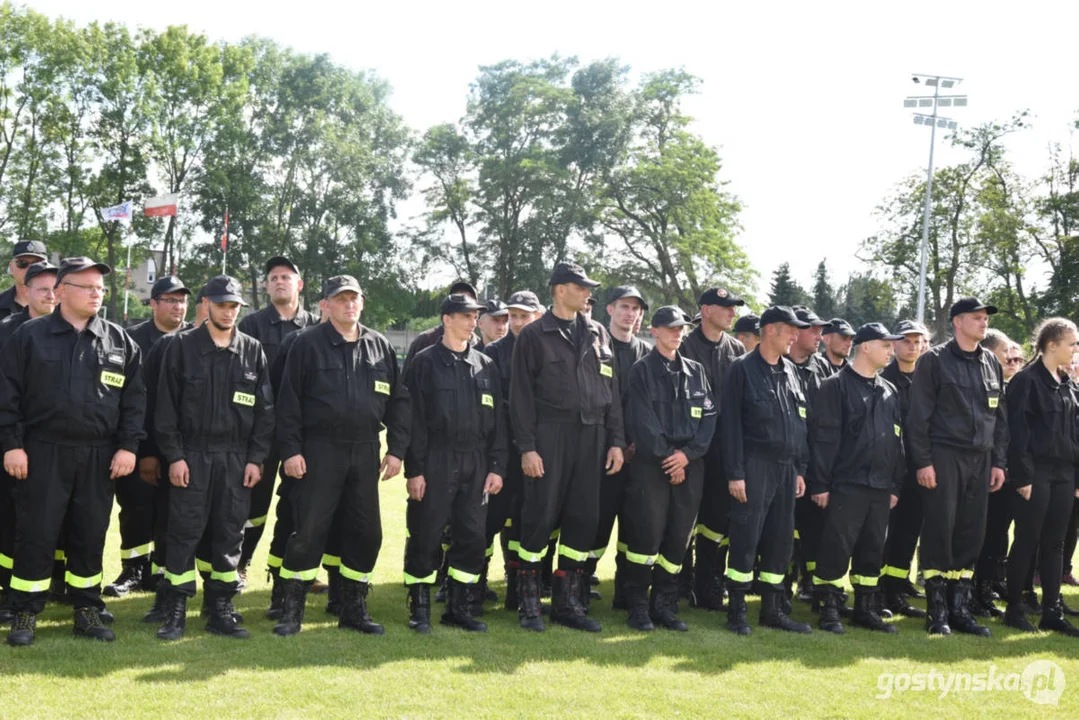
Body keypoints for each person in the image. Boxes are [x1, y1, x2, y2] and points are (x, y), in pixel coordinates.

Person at [2, 257, 145, 647]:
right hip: (43, 450)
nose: (97, 293)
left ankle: (86, 608)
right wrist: (12, 446)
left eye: (101, 288)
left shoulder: (119, 340)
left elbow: (134, 402)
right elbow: (7, 396)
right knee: (36, 532)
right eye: (87, 287)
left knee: (90, 533)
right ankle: (24, 612)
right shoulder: (30, 336)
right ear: (62, 291)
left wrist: (128, 448)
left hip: (99, 456)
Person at [273, 275, 409, 637]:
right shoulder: (306, 345)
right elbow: (287, 404)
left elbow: (399, 403)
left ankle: (353, 608)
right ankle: (291, 611)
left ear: (362, 303)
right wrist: (291, 451)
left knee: (367, 533)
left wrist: (396, 450)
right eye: (341, 299)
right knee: (310, 531)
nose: (349, 304)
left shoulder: (380, 346)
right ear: (326, 305)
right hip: (319, 450)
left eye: (355, 298)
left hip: (365, 450)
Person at [153, 276, 273, 641]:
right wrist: (174, 456)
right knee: (184, 533)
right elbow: (165, 409)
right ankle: (175, 611)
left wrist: (256, 459)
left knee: (229, 534)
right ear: (206, 305)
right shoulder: (181, 347)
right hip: (192, 454)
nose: (228, 311)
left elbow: (266, 411)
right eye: (221, 305)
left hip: (236, 460)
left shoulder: (252, 350)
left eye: (234, 306)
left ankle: (221, 607)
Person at [510, 261, 624, 633]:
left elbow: (613, 394)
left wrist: (616, 441)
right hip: (550, 434)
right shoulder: (533, 335)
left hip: (591, 437)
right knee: (540, 516)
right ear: (560, 290)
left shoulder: (598, 334)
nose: (588, 292)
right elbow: (521, 397)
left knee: (583, 519)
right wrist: (527, 448)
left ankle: (567, 603)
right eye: (581, 287)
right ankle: (529, 603)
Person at [403, 294, 507, 633]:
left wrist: (496, 466)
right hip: (436, 458)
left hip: (476, 462)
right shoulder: (424, 363)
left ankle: (459, 607)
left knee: (472, 537)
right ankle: (419, 608)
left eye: (475, 316)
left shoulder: (485, 365)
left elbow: (498, 423)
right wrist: (415, 470)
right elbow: (413, 421)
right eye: (465, 315)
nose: (472, 321)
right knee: (426, 533)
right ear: (446, 319)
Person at [908, 297, 1007, 637]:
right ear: (957, 322)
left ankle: (959, 608)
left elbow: (1000, 419)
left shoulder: (991, 362)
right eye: (977, 318)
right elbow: (918, 417)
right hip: (944, 456)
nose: (984, 323)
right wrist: (924, 462)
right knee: (940, 529)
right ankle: (936, 611)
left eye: (985, 319)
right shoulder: (934, 361)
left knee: (971, 532)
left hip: (981, 460)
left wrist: (999, 462)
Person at [623, 306, 716, 632]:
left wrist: (687, 457)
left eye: (682, 328)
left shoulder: (696, 371)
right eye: (671, 327)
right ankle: (637, 607)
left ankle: (664, 605)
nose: (678, 333)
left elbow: (708, 419)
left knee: (678, 540)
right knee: (646, 538)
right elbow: (643, 422)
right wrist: (669, 457)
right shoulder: (641, 371)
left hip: (689, 467)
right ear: (656, 330)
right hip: (653, 467)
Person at [721, 305, 811, 635]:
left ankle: (772, 610)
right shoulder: (741, 369)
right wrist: (735, 473)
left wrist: (800, 469)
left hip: (787, 470)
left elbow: (800, 423)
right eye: (790, 330)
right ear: (770, 330)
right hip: (755, 466)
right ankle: (737, 611)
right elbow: (729, 425)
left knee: (780, 541)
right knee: (746, 539)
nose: (795, 336)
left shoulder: (790, 371)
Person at [810, 323, 905, 634]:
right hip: (846, 485)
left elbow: (896, 441)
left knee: (872, 549)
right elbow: (824, 440)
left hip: (880, 487)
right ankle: (829, 609)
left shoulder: (888, 390)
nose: (892, 350)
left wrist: (894, 484)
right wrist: (821, 484)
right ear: (865, 347)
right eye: (886, 345)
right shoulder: (835, 386)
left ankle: (865, 607)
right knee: (835, 548)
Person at [104, 276, 192, 598]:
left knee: (174, 511)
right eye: (170, 300)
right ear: (153, 303)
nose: (177, 306)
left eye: (182, 300)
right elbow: (132, 399)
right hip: (139, 443)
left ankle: (162, 571)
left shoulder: (196, 340)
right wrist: (145, 451)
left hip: (183, 447)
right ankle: (133, 569)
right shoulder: (132, 340)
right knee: (136, 506)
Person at [236, 256, 318, 587]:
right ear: (267, 287)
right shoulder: (251, 325)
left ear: (299, 284)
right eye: (273, 278)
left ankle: (293, 570)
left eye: (286, 276)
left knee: (303, 504)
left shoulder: (316, 326)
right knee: (253, 505)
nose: (280, 281)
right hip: (263, 432)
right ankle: (239, 566)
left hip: (305, 433)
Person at [1003, 318, 1079, 637]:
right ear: (1051, 345)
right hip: (1036, 473)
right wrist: (1022, 477)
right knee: (1027, 540)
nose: (1076, 349)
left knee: (1056, 543)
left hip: (1064, 473)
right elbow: (1017, 433)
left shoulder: (1067, 384)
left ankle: (1052, 611)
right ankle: (1015, 608)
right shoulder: (1026, 381)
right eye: (1072, 343)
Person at [679, 287, 746, 611]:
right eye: (726, 307)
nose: (732, 313)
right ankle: (681, 582)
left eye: (734, 308)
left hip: (722, 449)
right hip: (689, 449)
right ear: (706, 310)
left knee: (717, 522)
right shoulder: (685, 346)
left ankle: (708, 584)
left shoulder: (736, 349)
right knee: (684, 520)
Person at [0, 261, 57, 624]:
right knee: (11, 519)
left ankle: (48, 588)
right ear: (27, 291)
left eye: (55, 289)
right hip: (13, 441)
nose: (50, 296)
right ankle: (9, 592)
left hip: (53, 447)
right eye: (43, 289)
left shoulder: (70, 332)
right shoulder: (8, 332)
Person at [482, 290, 543, 612]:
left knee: (524, 522)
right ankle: (473, 586)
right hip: (501, 452)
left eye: (524, 316)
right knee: (489, 520)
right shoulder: (492, 353)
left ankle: (517, 591)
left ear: (538, 316)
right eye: (512, 317)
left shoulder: (546, 350)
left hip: (534, 453)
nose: (517, 322)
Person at [590, 286, 650, 609]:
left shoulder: (645, 352)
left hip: (638, 455)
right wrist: (615, 442)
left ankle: (626, 591)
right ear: (610, 309)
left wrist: (637, 443)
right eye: (625, 307)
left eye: (636, 309)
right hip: (603, 453)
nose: (631, 313)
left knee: (634, 524)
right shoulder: (596, 347)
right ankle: (581, 584)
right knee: (596, 523)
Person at [880, 320, 932, 618]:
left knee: (908, 534)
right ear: (895, 344)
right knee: (884, 535)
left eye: (918, 342)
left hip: (919, 470)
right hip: (889, 471)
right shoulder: (884, 380)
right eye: (907, 341)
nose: (913, 347)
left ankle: (897, 589)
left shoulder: (928, 379)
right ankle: (876, 592)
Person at [972, 329, 1023, 616]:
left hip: (1002, 470)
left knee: (997, 533)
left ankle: (987, 586)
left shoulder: (1004, 387)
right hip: (984, 471)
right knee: (984, 533)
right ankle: (976, 590)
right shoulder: (985, 386)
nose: (1011, 358)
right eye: (1006, 353)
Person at [787, 307, 830, 602]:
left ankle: (810, 582)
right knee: (784, 528)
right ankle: (782, 582)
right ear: (797, 331)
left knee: (813, 528)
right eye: (813, 330)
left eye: (820, 330)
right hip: (785, 463)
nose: (819, 336)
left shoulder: (822, 368)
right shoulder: (778, 364)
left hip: (815, 465)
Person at [403, 280, 479, 369]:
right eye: (459, 298)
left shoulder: (480, 346)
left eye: (470, 300)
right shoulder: (425, 341)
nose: (466, 303)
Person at [0, 240, 48, 321]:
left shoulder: (61, 306)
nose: (30, 269)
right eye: (22, 263)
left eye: (37, 264)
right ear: (11, 268)